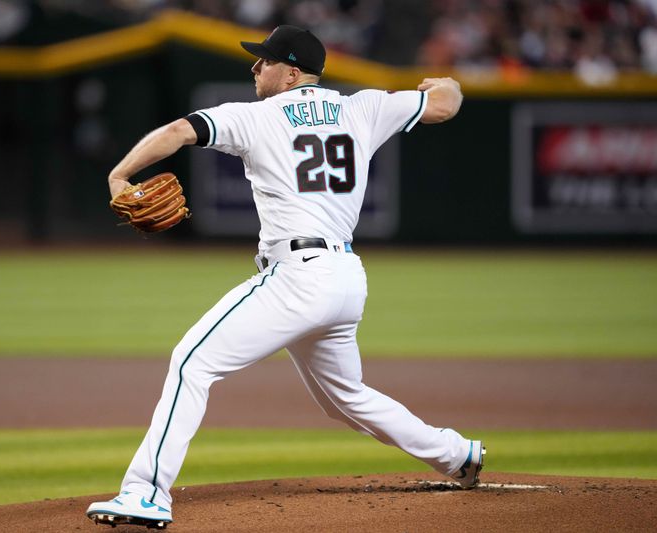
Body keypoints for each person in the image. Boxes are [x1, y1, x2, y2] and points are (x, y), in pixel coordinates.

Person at [87, 25, 485, 530]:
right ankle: (456, 454)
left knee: (192, 360)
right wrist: (442, 82)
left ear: (292, 72)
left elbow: (178, 132)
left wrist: (119, 175)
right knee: (347, 398)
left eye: (265, 61)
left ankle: (145, 493)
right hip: (345, 279)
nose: (255, 68)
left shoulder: (256, 117)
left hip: (298, 277)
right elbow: (446, 104)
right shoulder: (364, 108)